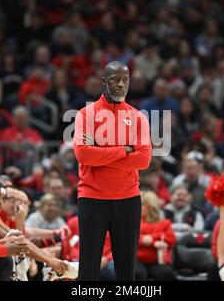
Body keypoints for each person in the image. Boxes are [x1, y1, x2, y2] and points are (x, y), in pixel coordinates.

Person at [73, 61, 152, 280]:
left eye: (125, 80)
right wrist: (125, 151)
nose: (120, 84)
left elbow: (144, 160)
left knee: (127, 271)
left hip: (128, 199)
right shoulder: (85, 115)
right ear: (103, 82)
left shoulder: (138, 117)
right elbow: (83, 155)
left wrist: (101, 153)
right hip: (92, 198)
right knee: (88, 270)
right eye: (115, 79)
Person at [136, 191, 176, 281]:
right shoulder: (135, 221)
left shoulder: (165, 223)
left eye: (143, 204)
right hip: (138, 260)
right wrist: (154, 243)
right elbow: (132, 239)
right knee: (137, 274)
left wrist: (152, 239)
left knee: (166, 273)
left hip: (158, 262)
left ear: (151, 206)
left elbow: (171, 240)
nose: (139, 207)